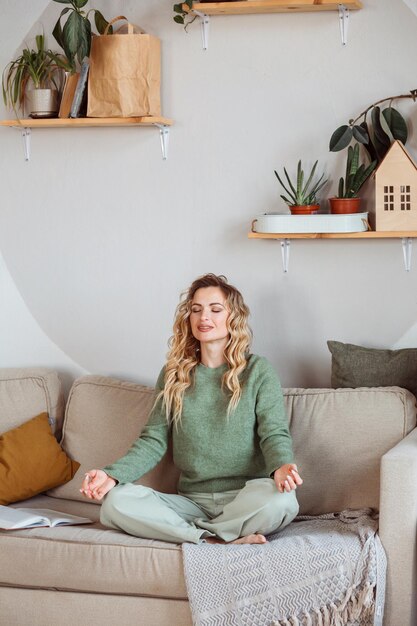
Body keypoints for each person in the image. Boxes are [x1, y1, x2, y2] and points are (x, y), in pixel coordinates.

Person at [80, 273, 302, 545]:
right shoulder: (173, 375)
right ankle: (213, 539)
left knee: (282, 502)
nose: (203, 317)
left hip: (245, 498)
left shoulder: (258, 371)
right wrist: (112, 475)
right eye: (196, 310)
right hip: (190, 504)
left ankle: (195, 534)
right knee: (115, 503)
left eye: (215, 309)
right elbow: (152, 441)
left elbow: (273, 432)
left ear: (234, 317)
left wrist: (281, 465)